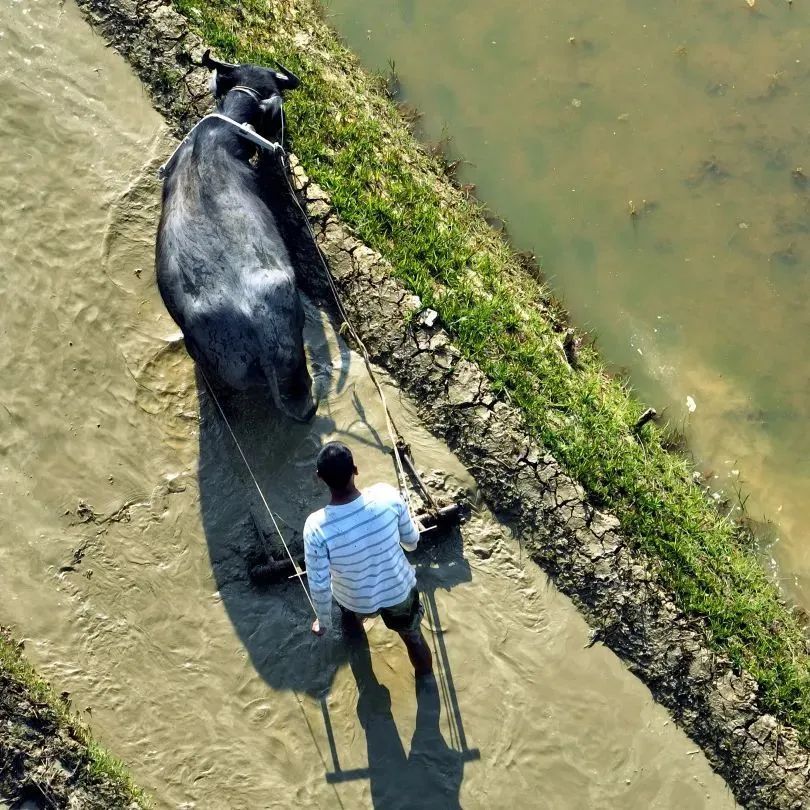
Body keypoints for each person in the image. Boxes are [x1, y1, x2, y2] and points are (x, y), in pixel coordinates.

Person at [303, 441, 433, 676]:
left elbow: (319, 586)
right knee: (413, 639)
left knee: (351, 623)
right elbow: (412, 543)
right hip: (398, 591)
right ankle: (426, 686)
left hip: (354, 599)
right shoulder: (387, 495)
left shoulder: (315, 526)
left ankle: (363, 673)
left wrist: (323, 622)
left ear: (319, 478)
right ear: (355, 469)